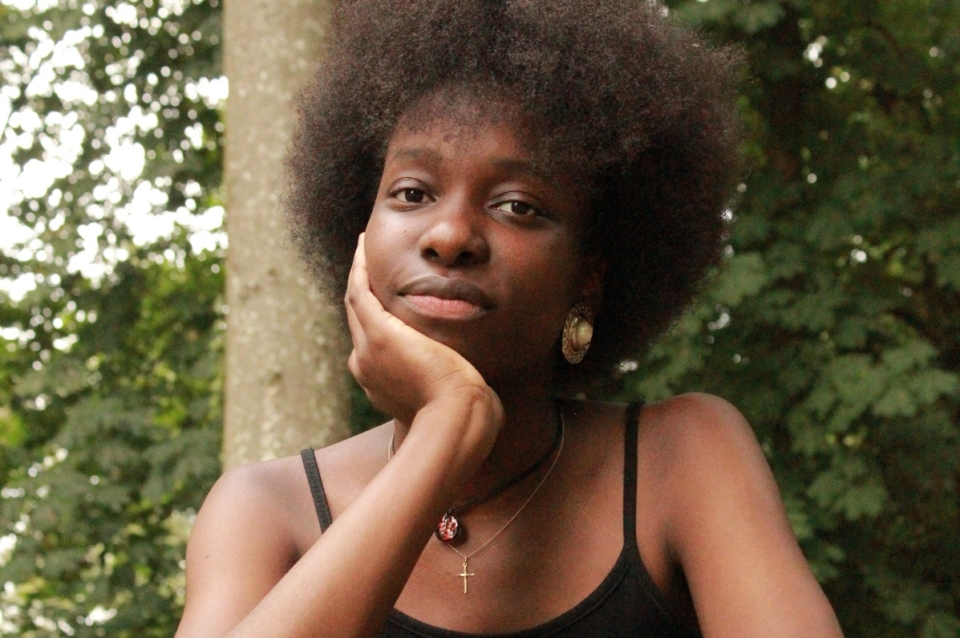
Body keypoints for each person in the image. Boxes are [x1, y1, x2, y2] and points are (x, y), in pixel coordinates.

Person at [176, 1, 844, 636]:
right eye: (412, 192)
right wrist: (448, 426)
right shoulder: (265, 509)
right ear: (357, 235)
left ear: (589, 277)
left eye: (518, 205)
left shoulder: (685, 459)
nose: (449, 235)